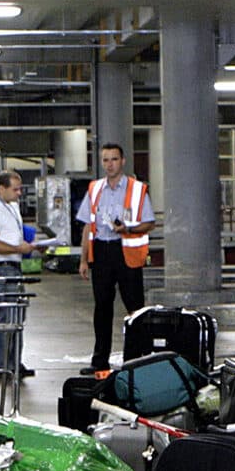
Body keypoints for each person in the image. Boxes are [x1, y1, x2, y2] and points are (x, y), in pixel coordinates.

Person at [76, 143, 155, 371]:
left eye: (114, 159)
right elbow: (87, 226)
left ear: (123, 161)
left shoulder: (137, 189)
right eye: (105, 160)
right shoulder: (95, 189)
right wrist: (83, 259)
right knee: (102, 307)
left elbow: (150, 222)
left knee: (134, 308)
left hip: (126, 251)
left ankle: (133, 360)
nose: (109, 165)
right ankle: (99, 360)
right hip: (101, 251)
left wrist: (128, 229)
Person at [0, 169, 36, 379]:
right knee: (7, 317)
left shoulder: (11, 206)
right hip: (2, 268)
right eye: (15, 189)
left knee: (17, 317)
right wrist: (16, 249)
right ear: (2, 189)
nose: (19, 193)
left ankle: (15, 363)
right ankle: (2, 366)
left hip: (14, 266)